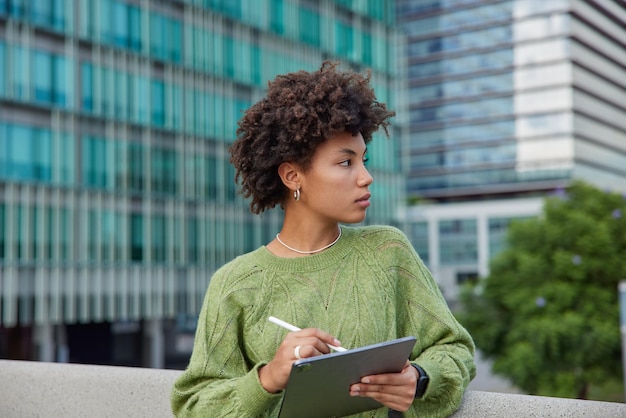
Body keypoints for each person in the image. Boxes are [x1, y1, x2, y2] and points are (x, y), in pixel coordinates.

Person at [171, 61, 476, 417]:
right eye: (346, 163)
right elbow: (193, 405)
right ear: (292, 175)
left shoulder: (387, 251)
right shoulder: (235, 284)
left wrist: (421, 378)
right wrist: (269, 377)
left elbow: (453, 348)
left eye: (364, 160)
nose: (366, 177)